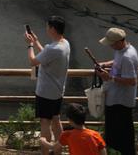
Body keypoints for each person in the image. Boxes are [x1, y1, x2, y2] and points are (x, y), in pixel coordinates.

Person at [25, 16, 71, 155]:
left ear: (52, 28)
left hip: (45, 92)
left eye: (47, 26)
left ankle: (46, 153)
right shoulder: (65, 44)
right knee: (56, 119)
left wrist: (30, 45)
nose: (46, 29)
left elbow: (33, 61)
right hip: (57, 91)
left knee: (45, 123)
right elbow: (46, 55)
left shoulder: (53, 49)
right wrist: (37, 41)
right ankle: (58, 150)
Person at [98, 27, 138, 155]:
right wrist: (105, 64)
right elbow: (117, 62)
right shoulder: (123, 50)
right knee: (116, 136)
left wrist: (110, 77)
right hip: (116, 99)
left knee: (121, 138)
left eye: (111, 43)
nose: (110, 46)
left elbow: (132, 81)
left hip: (120, 102)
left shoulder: (127, 56)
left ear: (119, 42)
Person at [42, 103, 106, 155]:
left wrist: (43, 140)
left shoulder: (67, 134)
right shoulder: (96, 135)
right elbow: (103, 153)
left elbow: (53, 147)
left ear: (70, 120)